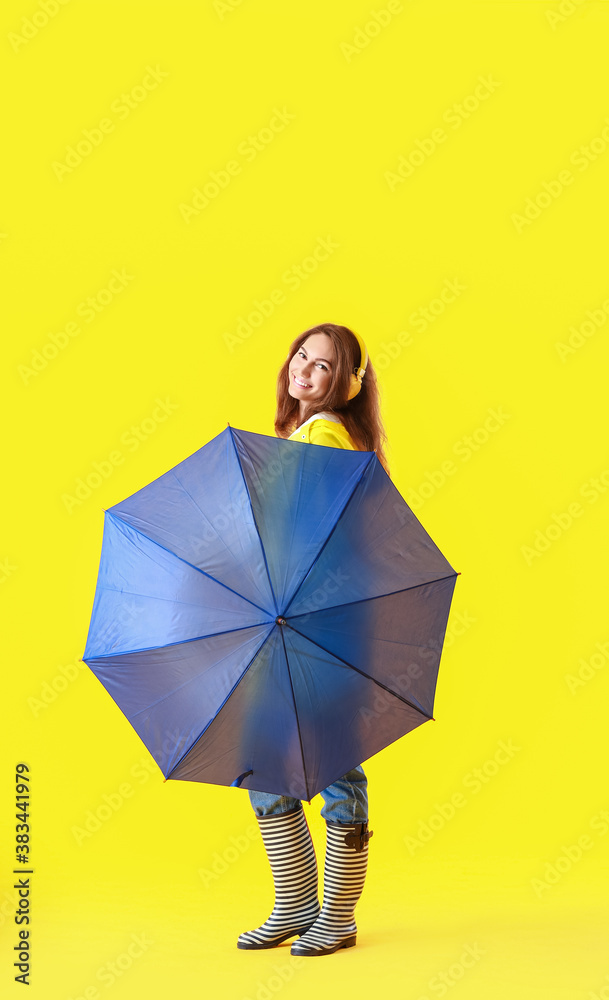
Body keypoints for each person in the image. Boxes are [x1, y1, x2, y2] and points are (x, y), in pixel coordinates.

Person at [237, 322, 390, 958]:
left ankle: (337, 916)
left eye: (324, 366)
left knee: (327, 763)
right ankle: (299, 903)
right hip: (287, 615)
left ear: (345, 385)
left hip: (315, 622)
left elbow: (318, 533)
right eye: (302, 355)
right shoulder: (301, 433)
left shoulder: (324, 433)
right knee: (269, 758)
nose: (305, 369)